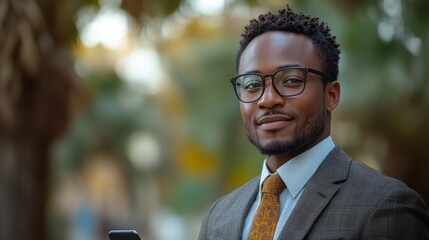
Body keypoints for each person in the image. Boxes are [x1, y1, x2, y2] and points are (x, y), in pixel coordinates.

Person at [198, 6, 429, 240]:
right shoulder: (219, 217)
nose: (267, 99)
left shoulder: (385, 206)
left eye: (290, 80)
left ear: (331, 95)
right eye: (252, 85)